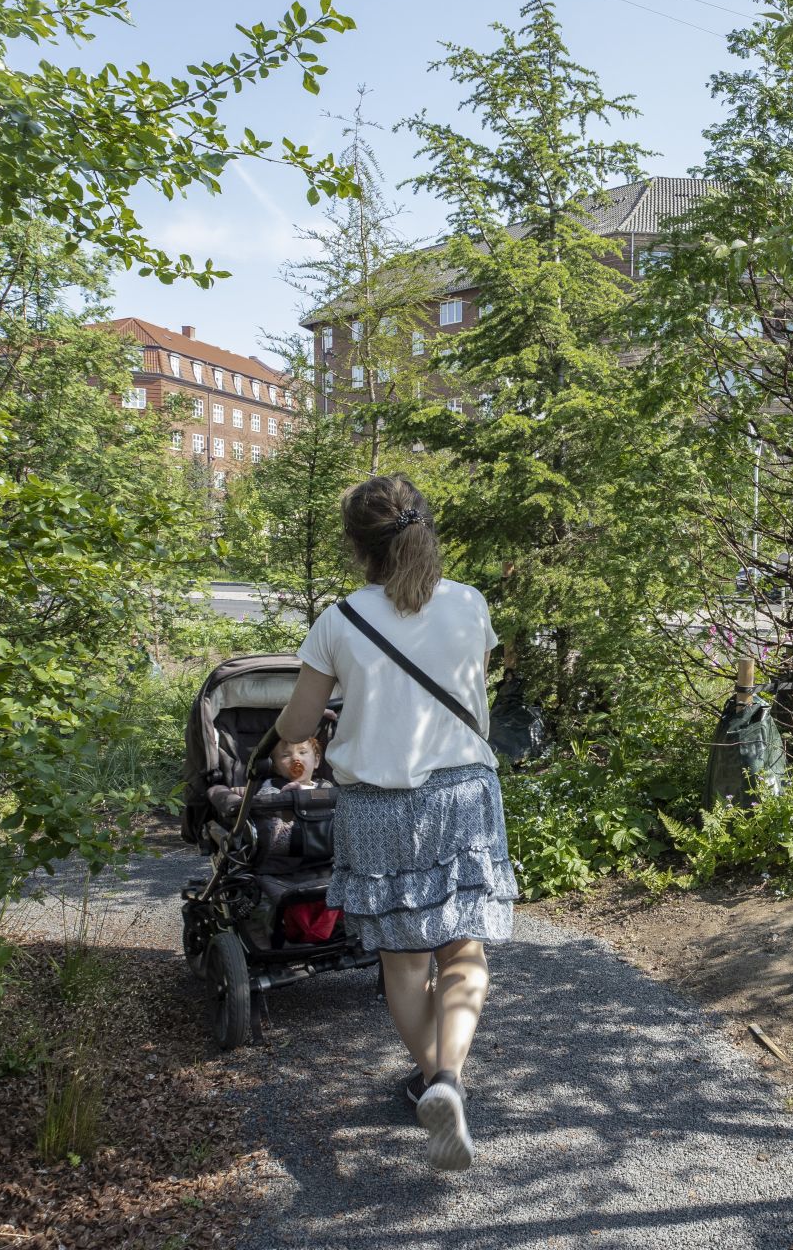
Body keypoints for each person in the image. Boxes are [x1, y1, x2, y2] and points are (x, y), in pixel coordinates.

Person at [271, 473, 513, 1172]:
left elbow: (295, 723)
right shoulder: (470, 605)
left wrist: (306, 732)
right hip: (465, 793)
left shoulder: (338, 621)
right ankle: (447, 1080)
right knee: (463, 953)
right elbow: (468, 686)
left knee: (405, 963)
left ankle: (435, 1079)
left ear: (357, 546)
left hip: (381, 805)